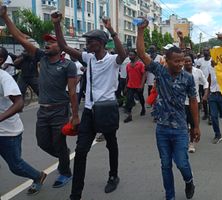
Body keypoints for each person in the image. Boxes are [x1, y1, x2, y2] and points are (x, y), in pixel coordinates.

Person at [0, 6, 80, 188]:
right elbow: (20, 38)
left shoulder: (68, 65)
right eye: (46, 42)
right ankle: (63, 155)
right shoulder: (41, 57)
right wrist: (5, 17)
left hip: (60, 110)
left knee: (58, 144)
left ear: (60, 47)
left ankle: (65, 172)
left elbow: (73, 91)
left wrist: (75, 116)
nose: (47, 44)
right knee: (43, 143)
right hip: (43, 110)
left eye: (51, 42)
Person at [52, 12, 127, 200]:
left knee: (111, 144)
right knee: (81, 152)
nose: (87, 45)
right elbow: (64, 46)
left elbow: (123, 53)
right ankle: (75, 194)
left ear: (100, 43)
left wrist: (110, 29)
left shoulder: (112, 60)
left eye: (90, 41)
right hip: (89, 112)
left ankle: (113, 176)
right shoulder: (88, 58)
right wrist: (56, 25)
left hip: (107, 110)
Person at [137, 17, 200, 200]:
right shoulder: (160, 71)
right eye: (176, 61)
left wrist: (196, 126)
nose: (180, 64)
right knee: (165, 165)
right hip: (162, 128)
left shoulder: (188, 78)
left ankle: (189, 181)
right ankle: (169, 196)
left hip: (180, 128)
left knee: (181, 163)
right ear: (168, 61)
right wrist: (141, 31)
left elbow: (194, 101)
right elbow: (141, 53)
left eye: (182, 61)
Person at [0, 46, 47, 195]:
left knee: (16, 165)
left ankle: (38, 176)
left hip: (8, 132)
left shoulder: (4, 77)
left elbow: (19, 103)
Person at [183, 54, 208, 153]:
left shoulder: (198, 72)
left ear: (192, 61)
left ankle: (191, 143)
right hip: (182, 103)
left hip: (195, 102)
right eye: (186, 61)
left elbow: (205, 83)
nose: (188, 63)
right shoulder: (179, 72)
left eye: (189, 61)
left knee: (193, 124)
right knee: (183, 124)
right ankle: (184, 141)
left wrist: (205, 94)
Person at [208, 60, 222, 144]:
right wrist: (207, 93)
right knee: (213, 116)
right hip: (213, 95)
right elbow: (209, 81)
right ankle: (217, 135)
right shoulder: (210, 68)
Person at [123, 50, 146, 123]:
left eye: (132, 55)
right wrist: (126, 86)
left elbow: (144, 75)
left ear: (135, 56)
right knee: (129, 100)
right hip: (130, 85)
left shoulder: (140, 64)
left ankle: (143, 108)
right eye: (129, 55)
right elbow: (128, 76)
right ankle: (129, 115)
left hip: (138, 86)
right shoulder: (128, 65)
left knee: (141, 98)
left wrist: (141, 85)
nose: (130, 56)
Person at [197, 47, 211, 121]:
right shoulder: (200, 60)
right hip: (202, 83)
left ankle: (211, 116)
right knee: (204, 100)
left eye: (207, 50)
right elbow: (197, 69)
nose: (206, 51)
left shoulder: (212, 60)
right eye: (204, 50)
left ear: (210, 51)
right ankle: (206, 113)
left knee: (211, 100)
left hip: (211, 83)